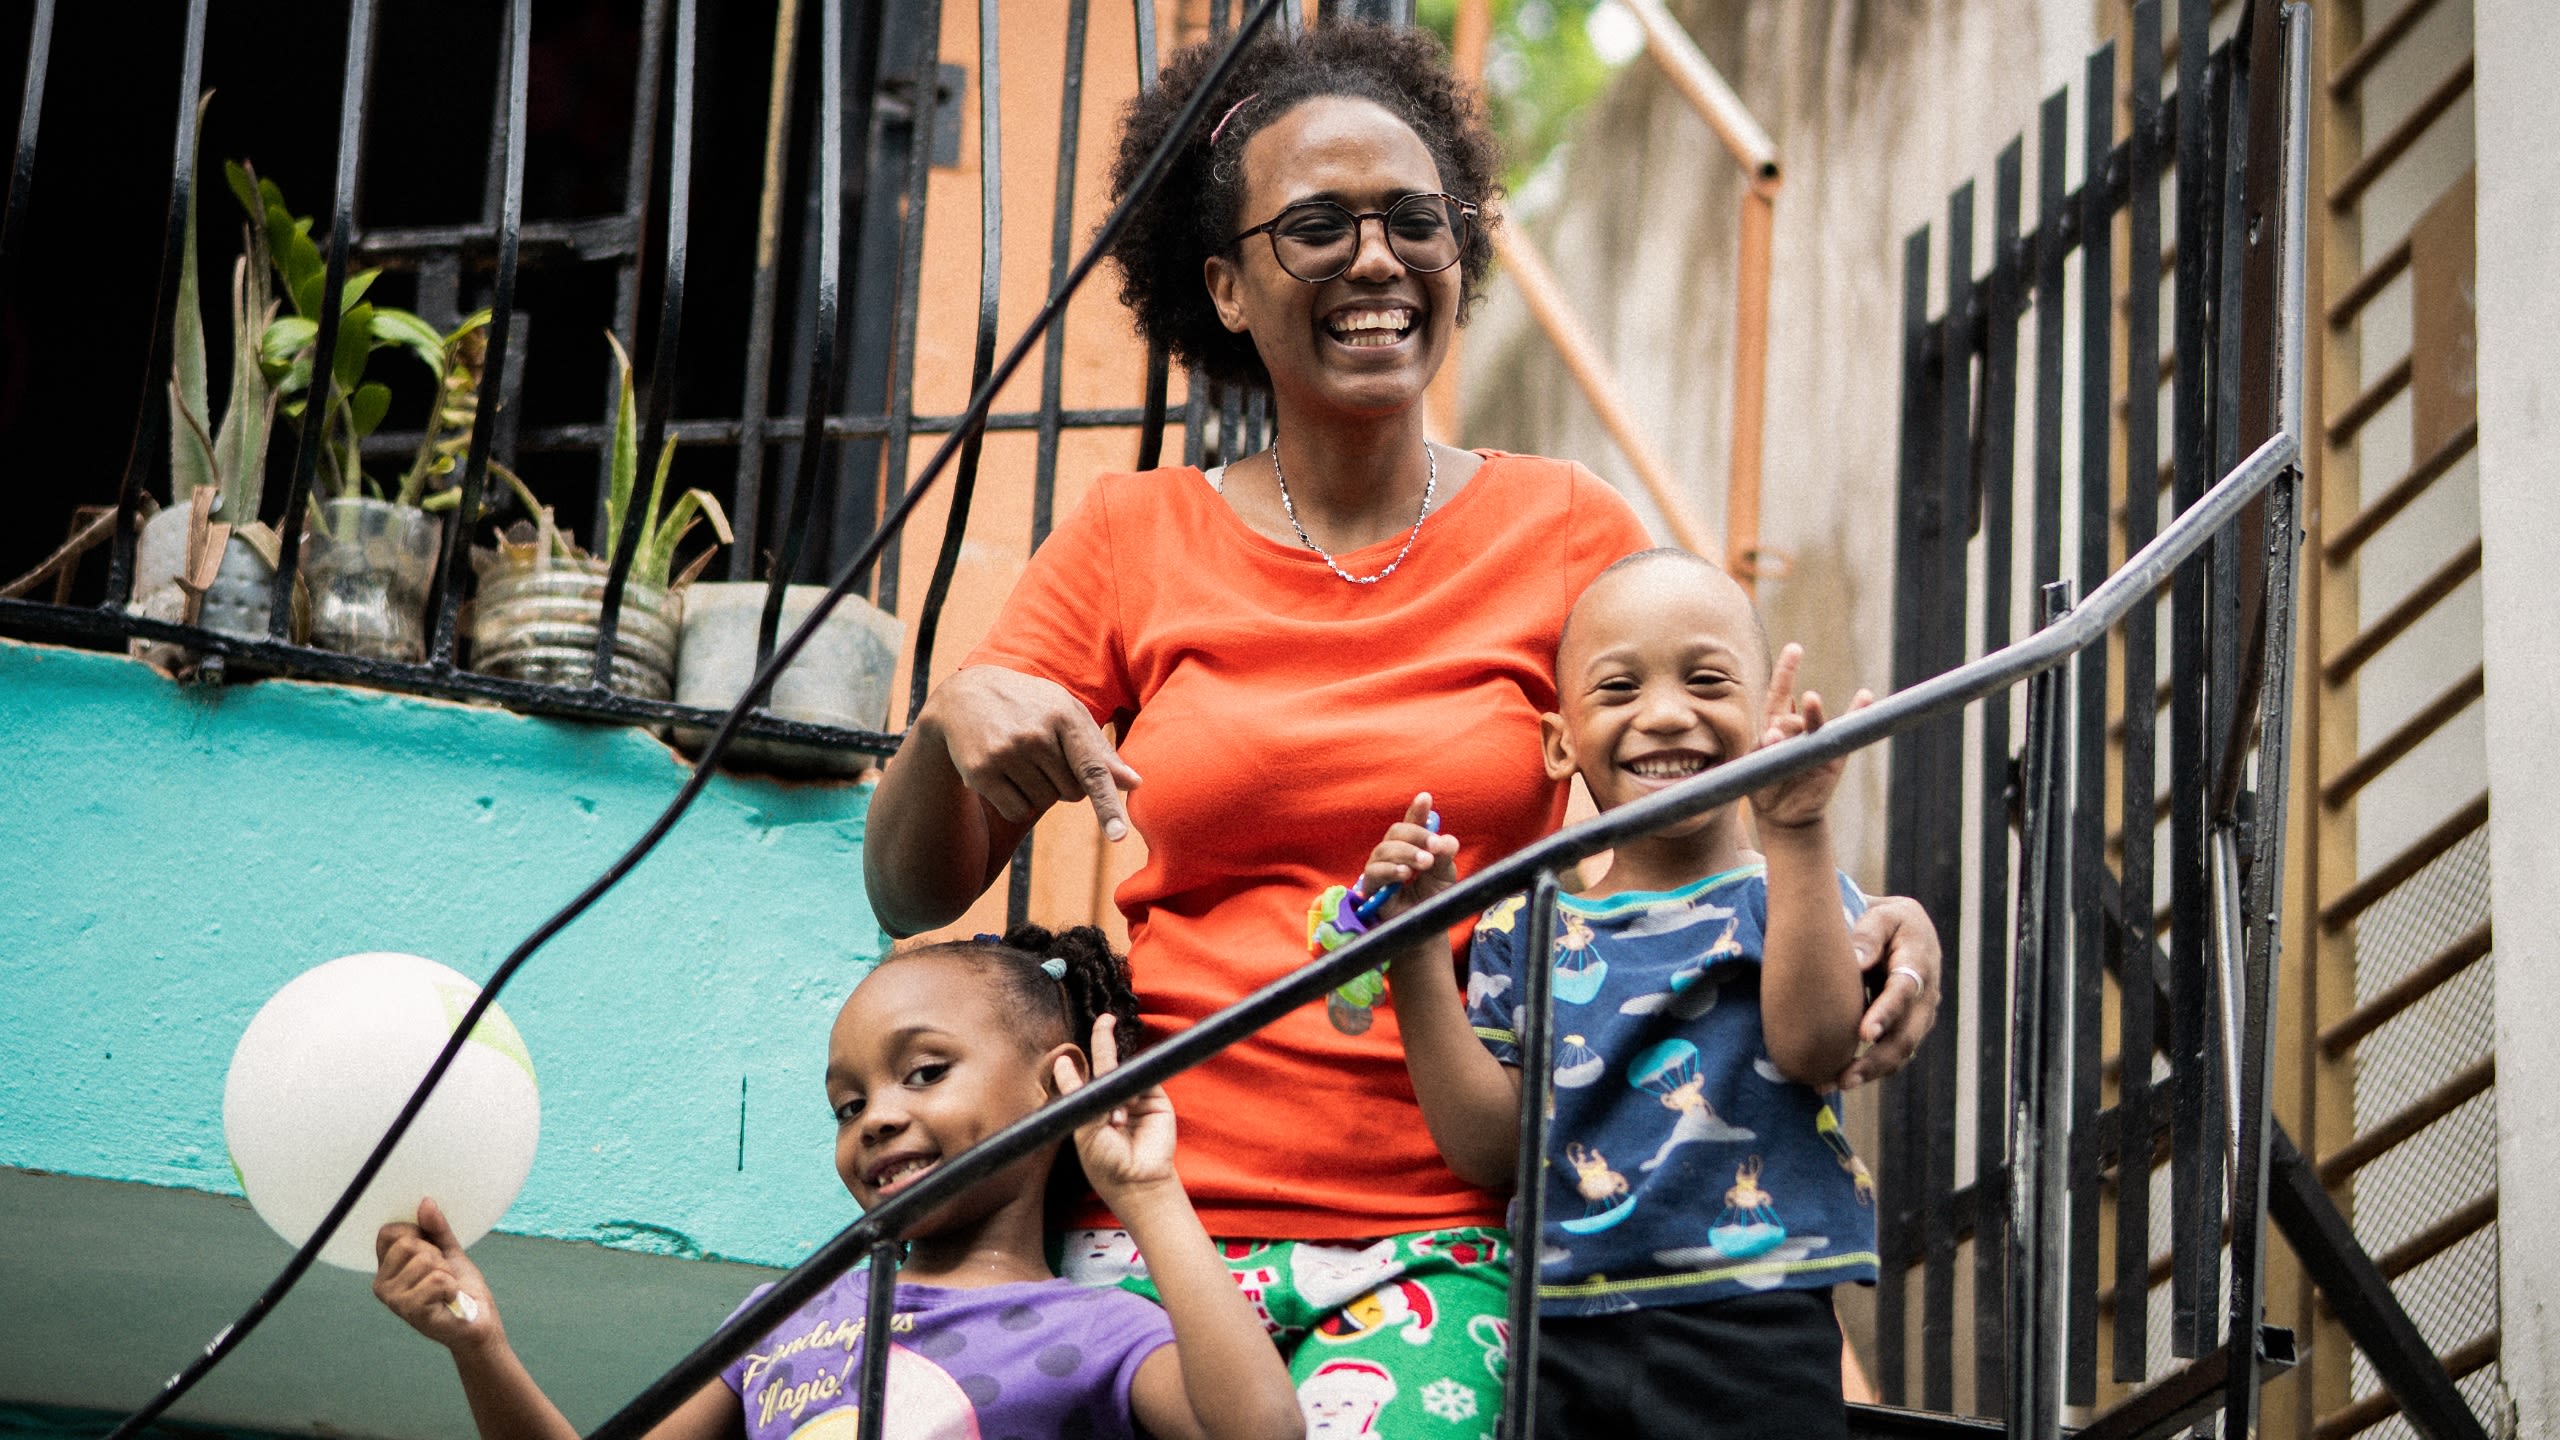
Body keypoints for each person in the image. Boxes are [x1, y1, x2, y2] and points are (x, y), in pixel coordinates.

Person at [862, 22, 1941, 1429]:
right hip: (1159, 1208)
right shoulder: (1134, 539)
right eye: (1316, 228)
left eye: (1413, 222)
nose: (1376, 261)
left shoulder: (1567, 532)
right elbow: (910, 887)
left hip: (1459, 1223)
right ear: (1225, 288)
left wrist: (1872, 914)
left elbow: (1703, 820)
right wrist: (951, 719)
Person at [370, 926, 1302, 1440]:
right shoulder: (785, 1314)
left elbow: (1263, 1437)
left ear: (1057, 1083)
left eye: (925, 1072)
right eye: (846, 1105)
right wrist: (478, 1347)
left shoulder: (1104, 1329)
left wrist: (1146, 1191)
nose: (877, 1119)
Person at [1365, 548, 1884, 1437]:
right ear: (1560, 743)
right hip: (1561, 1324)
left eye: (1709, 681)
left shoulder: (1792, 890)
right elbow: (1491, 1148)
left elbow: (1817, 1047)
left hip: (1756, 1313)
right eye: (1618, 690)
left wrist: (1796, 831)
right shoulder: (1522, 927)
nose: (1669, 714)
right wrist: (1413, 952)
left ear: (1764, 715)